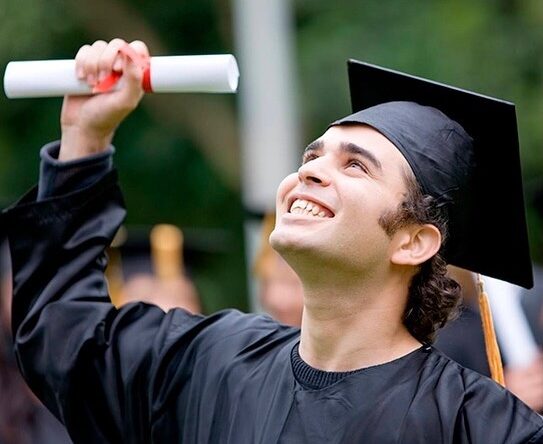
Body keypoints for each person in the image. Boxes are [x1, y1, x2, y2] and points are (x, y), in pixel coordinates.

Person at [2, 38, 543, 443]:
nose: (309, 171)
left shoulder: (479, 426)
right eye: (312, 156)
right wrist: (85, 136)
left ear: (413, 242)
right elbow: (65, 337)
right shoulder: (211, 364)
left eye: (355, 166)